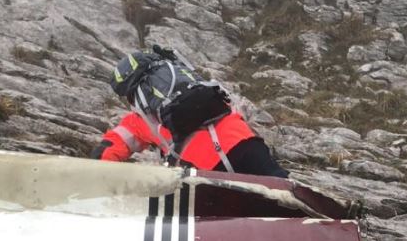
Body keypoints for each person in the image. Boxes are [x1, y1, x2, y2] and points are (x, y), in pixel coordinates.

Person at [92, 47, 289, 178]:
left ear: (131, 96)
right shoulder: (197, 87)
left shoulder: (141, 119)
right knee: (285, 194)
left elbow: (109, 150)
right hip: (244, 141)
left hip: (205, 165)